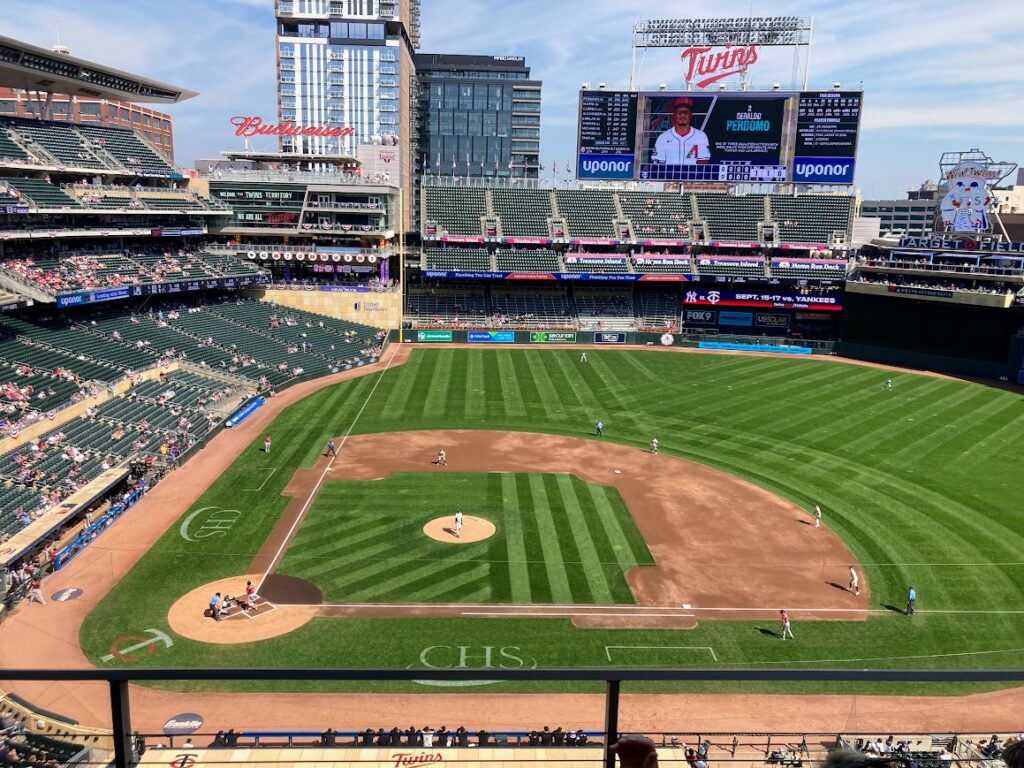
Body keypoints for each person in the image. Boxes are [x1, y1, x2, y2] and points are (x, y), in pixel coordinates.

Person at [653, 97, 710, 166]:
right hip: (669, 176)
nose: (682, 115)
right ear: (674, 115)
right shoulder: (663, 137)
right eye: (679, 112)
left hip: (692, 176)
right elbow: (658, 164)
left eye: (685, 112)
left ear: (690, 115)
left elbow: (703, 162)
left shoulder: (701, 136)